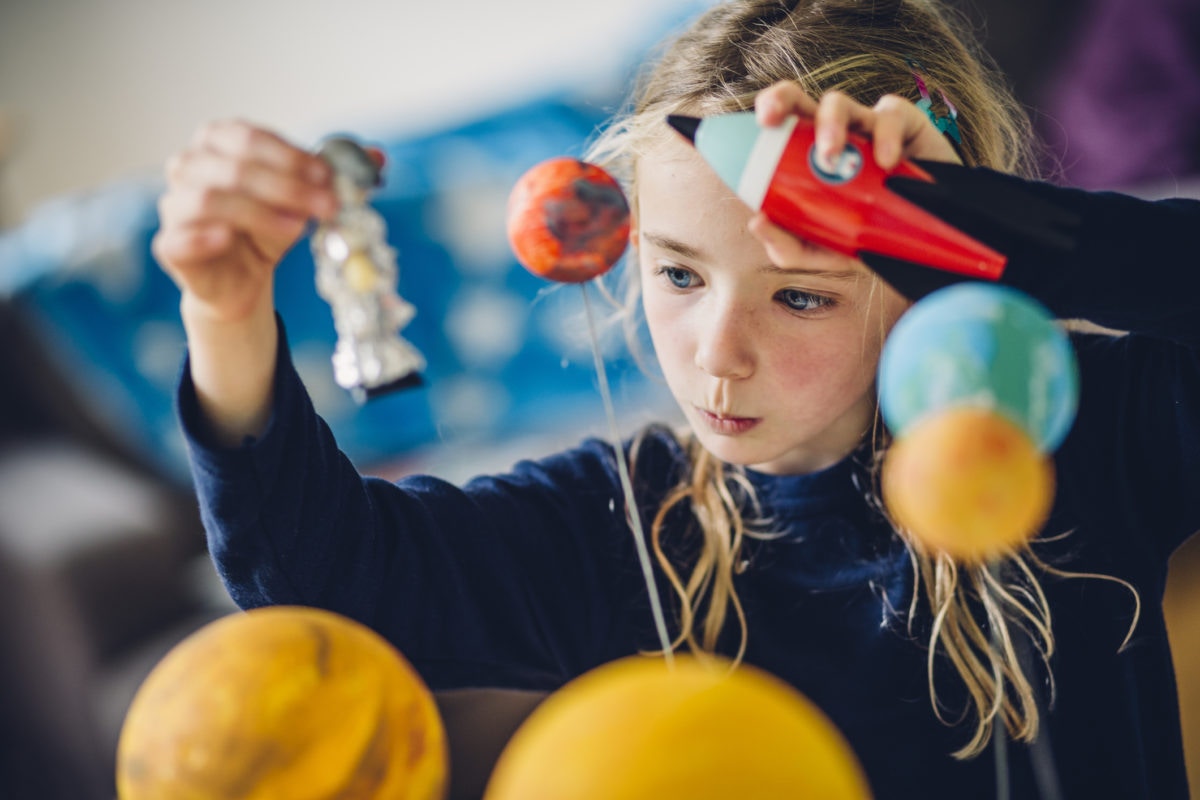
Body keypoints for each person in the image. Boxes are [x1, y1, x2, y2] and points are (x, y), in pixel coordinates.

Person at [154, 1, 1200, 797]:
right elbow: (322, 583)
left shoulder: (1085, 435)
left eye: (799, 295)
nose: (717, 355)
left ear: (935, 279)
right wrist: (225, 313)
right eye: (681, 275)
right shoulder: (625, 528)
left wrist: (992, 224)